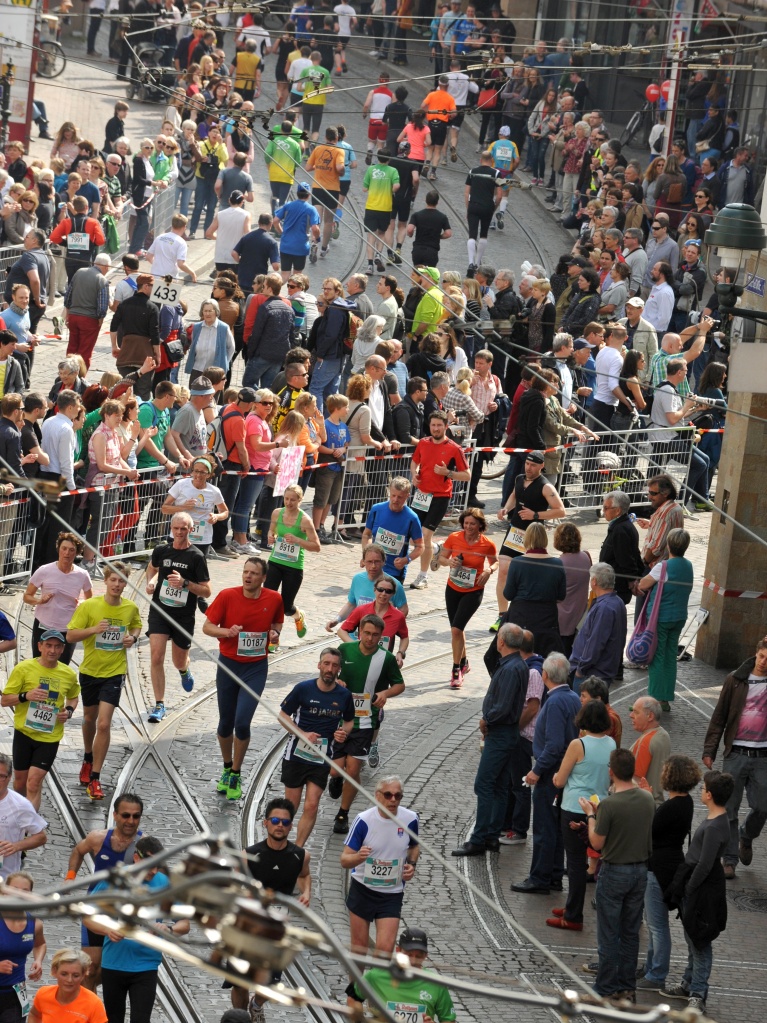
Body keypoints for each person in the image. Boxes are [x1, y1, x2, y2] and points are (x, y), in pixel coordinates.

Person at [202, 558, 284, 800]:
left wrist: (275, 632)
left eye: (254, 573)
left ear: (263, 578)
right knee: (225, 723)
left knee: (242, 722)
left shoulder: (274, 598)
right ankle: (226, 767)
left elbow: (278, 621)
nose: (248, 576)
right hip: (228, 665)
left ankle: (236, 772)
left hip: (256, 668)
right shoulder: (227, 595)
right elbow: (207, 627)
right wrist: (225, 632)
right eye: (245, 572)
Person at [580, 748, 655, 1002]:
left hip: (614, 872)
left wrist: (591, 814)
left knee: (609, 932)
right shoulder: (646, 799)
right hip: (639, 871)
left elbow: (597, 843)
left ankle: (606, 987)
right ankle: (626, 987)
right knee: (630, 932)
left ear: (611, 771)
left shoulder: (609, 805)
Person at [89, 834, 188, 1023]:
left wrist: (169, 929)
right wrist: (108, 930)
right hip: (114, 964)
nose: (154, 871)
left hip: (146, 966)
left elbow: (185, 924)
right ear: (136, 857)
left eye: (158, 865)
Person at [65, 564, 142, 802]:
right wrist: (93, 629)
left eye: (122, 582)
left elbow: (136, 624)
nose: (117, 585)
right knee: (89, 719)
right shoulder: (89, 606)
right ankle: (88, 757)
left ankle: (96, 777)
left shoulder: (130, 608)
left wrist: (134, 637)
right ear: (106, 582)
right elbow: (69, 635)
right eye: (113, 581)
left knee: (104, 724)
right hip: (89, 671)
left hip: (114, 672)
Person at [661, 771, 734, 1014]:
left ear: (710, 795)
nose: (700, 791)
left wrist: (689, 890)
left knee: (700, 942)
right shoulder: (717, 819)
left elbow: (705, 863)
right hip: (697, 882)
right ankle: (689, 983)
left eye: (703, 788)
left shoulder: (715, 826)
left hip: (701, 887)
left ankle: (697, 993)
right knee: (693, 938)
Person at [452, 622, 528, 856]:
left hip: (500, 732)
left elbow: (503, 707)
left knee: (484, 784)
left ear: (501, 641)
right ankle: (492, 836)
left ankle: (479, 838)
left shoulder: (509, 668)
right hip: (509, 732)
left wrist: (487, 720)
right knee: (499, 786)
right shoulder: (518, 665)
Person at [327, 615, 405, 835]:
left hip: (365, 719)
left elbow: (400, 684)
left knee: (353, 768)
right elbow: (328, 674)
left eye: (375, 635)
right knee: (335, 769)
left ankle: (343, 814)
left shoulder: (386, 658)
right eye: (367, 633)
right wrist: (336, 681)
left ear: (381, 637)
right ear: (359, 632)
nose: (370, 638)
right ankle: (335, 778)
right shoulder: (345, 650)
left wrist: (385, 693)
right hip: (340, 717)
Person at [512, 652, 580, 894]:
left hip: (551, 772)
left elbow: (554, 745)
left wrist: (536, 770)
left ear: (546, 675)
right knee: (556, 827)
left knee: (543, 827)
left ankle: (540, 877)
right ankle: (552, 874)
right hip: (565, 772)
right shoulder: (573, 697)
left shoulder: (554, 702)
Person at [239, 798, 311, 1020]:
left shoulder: (300, 855)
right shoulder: (249, 854)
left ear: (291, 826)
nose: (280, 825)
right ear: (265, 823)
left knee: (271, 981)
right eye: (276, 820)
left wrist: (306, 892)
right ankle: (240, 1016)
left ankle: (257, 1004)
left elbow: (304, 875)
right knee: (239, 979)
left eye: (285, 822)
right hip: (249, 924)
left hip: (278, 927)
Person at [702, 637, 767, 880]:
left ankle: (746, 836)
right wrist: (710, 749)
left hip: (763, 755)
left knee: (763, 806)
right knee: (729, 808)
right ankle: (729, 860)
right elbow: (719, 717)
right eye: (762, 656)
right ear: (756, 653)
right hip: (736, 752)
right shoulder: (735, 680)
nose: (763, 662)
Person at [65, 793, 144, 990]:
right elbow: (78, 851)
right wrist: (70, 876)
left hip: (125, 915)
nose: (130, 821)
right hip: (96, 910)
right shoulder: (98, 838)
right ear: (115, 815)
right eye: (126, 815)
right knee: (90, 970)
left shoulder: (144, 846)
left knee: (113, 972)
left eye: (136, 816)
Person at [278, 649, 355, 845]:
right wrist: (302, 734)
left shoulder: (344, 695)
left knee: (312, 805)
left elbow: (349, 722)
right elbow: (283, 716)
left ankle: (297, 848)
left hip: (321, 758)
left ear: (339, 669)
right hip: (296, 755)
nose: (330, 669)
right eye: (326, 664)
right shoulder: (303, 688)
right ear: (319, 665)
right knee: (291, 807)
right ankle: (281, 843)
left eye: (334, 665)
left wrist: (342, 733)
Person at [549, 699, 615, 930]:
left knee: (575, 862)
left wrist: (555, 777)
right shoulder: (611, 744)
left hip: (575, 807)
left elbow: (561, 778)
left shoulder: (579, 744)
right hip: (600, 808)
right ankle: (571, 906)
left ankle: (574, 914)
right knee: (585, 860)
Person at [637, 755, 701, 993]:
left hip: (658, 867)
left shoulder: (671, 806)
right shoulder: (686, 802)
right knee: (656, 924)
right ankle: (651, 968)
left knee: (657, 925)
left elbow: (650, 828)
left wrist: (646, 799)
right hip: (673, 862)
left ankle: (656, 973)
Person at [340, 775, 419, 958]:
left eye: (398, 796)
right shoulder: (364, 820)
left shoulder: (410, 819)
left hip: (392, 894)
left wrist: (411, 865)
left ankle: (375, 986)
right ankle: (355, 987)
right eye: (388, 795)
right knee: (359, 949)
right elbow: (344, 860)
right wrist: (359, 857)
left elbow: (414, 847)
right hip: (363, 890)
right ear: (377, 796)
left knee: (384, 951)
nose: (393, 800)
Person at [0, 631, 79, 811]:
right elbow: (4, 700)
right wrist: (26, 695)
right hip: (24, 733)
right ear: (40, 646)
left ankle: (29, 825)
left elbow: (73, 697)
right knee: (20, 783)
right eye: (49, 645)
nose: (52, 650)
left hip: (49, 737)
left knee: (34, 782)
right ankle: (18, 816)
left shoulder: (68, 674)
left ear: (62, 650)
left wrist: (69, 711)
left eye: (57, 646)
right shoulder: (24, 668)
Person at [145, 512, 211, 722]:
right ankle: (159, 704)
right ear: (171, 529)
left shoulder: (196, 557)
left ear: (191, 530)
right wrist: (151, 582)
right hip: (160, 610)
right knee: (156, 656)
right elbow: (152, 567)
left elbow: (207, 591)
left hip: (183, 615)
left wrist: (185, 583)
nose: (179, 532)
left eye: (184, 529)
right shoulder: (161, 550)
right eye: (176, 528)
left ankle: (184, 670)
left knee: (178, 660)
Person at [494, 452, 565, 631]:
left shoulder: (546, 487)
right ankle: (502, 615)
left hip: (533, 534)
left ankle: (524, 613)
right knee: (503, 570)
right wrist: (505, 508)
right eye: (527, 464)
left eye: (533, 465)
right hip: (514, 531)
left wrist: (535, 515)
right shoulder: (519, 478)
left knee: (529, 577)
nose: (528, 468)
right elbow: (514, 495)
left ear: (541, 466)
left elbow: (560, 511)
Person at [408, 411, 470, 590]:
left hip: (440, 496)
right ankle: (436, 549)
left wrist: (448, 473)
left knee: (425, 535)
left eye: (439, 425)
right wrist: (414, 475)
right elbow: (414, 462)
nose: (436, 428)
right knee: (415, 537)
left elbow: (467, 475)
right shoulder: (423, 443)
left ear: (446, 426)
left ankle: (423, 576)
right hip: (421, 495)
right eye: (433, 425)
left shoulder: (454, 448)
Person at [437, 507, 497, 688]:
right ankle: (464, 662)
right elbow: (441, 558)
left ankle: (456, 670)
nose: (469, 527)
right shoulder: (454, 538)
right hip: (453, 588)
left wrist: (488, 570)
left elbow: (495, 562)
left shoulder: (487, 544)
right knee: (457, 628)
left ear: (480, 525)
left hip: (473, 590)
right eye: (466, 523)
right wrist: (449, 562)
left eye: (473, 524)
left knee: (456, 629)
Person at [637, 527, 693, 711]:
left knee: (657, 656)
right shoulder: (689, 566)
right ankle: (666, 698)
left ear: (669, 545)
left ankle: (654, 700)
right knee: (670, 656)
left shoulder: (664, 566)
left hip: (661, 618)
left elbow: (644, 584)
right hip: (679, 617)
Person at [348, 926, 456, 1020]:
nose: (413, 961)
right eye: (408, 955)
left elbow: (449, 1019)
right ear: (398, 951)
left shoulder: (436, 984)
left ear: (425, 956)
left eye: (419, 956)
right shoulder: (376, 975)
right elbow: (351, 996)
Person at [24, 532, 92, 665]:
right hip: (44, 625)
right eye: (64, 549)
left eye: (71, 550)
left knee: (61, 667)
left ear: (77, 553)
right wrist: (39, 600)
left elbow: (90, 600)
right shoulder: (44, 570)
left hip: (68, 628)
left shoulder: (82, 575)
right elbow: (27, 596)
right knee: (38, 665)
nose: (67, 553)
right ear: (58, 549)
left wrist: (82, 604)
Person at [265, 483, 320, 641]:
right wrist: (271, 536)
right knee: (269, 601)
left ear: (300, 500)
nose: (288, 503)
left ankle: (298, 616)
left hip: (293, 567)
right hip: (275, 561)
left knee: (286, 607)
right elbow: (272, 530)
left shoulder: (305, 521)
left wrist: (297, 540)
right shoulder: (277, 513)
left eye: (293, 500)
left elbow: (316, 546)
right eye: (286, 499)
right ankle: (273, 638)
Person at [503, 523, 566, 658]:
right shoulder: (557, 563)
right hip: (547, 618)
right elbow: (561, 595)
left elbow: (508, 594)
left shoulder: (517, 562)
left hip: (521, 616)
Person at [570, 563, 628, 692]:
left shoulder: (604, 608)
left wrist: (581, 669)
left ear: (594, 581)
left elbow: (595, 643)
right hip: (601, 670)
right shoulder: (617, 602)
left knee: (584, 710)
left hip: (592, 674)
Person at [634, 473, 685, 614]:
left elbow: (656, 547)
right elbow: (666, 532)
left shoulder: (665, 514)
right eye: (649, 492)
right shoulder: (675, 509)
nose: (649, 496)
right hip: (664, 568)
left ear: (666, 493)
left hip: (653, 568)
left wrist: (643, 563)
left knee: (642, 615)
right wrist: (651, 524)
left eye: (653, 493)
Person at [0, 869, 46, 1020]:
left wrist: (38, 960)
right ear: (4, 892)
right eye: (14, 889)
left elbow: (40, 944)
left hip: (16, 992)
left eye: (25, 891)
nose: (19, 894)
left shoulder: (34, 923)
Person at [361, 478, 424, 585]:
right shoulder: (376, 510)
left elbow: (420, 546)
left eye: (400, 497)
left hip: (395, 573)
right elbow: (367, 535)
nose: (395, 500)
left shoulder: (412, 518)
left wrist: (406, 560)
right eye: (393, 495)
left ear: (407, 496)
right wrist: (366, 555)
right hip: (374, 568)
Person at [0, 753, 47, 882]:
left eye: (1, 776)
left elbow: (41, 837)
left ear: (9, 777)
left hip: (5, 878)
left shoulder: (20, 805)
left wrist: (16, 846)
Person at [28, 948, 106, 1023]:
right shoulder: (43, 994)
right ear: (54, 971)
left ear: (83, 975)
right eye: (64, 974)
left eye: (75, 975)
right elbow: (34, 1015)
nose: (69, 980)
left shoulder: (94, 1004)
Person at [62, 254, 112, 370]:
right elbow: (102, 305)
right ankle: (80, 376)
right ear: (105, 266)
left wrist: (68, 314)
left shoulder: (79, 272)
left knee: (72, 347)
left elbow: (68, 295)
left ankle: (66, 370)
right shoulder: (102, 280)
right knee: (85, 351)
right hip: (90, 319)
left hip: (74, 316)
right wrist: (100, 319)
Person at [553, 522, 591, 657]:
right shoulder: (586, 556)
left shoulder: (559, 563)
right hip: (580, 614)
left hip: (562, 617)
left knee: (562, 654)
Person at [599, 490, 643, 605]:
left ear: (618, 510)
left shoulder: (621, 530)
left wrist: (632, 580)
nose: (603, 511)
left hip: (616, 587)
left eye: (606, 508)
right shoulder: (620, 526)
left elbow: (626, 558)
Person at [464, 151, 501, 275]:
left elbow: (466, 192)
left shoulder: (472, 171)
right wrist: (493, 208)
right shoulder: (496, 173)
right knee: (483, 234)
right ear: (491, 160)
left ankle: (470, 263)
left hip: (473, 205)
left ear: (481, 159)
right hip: (487, 206)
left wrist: (468, 208)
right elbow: (500, 195)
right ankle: (477, 263)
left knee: (472, 235)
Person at [629, 696, 671, 804]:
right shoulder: (664, 735)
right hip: (656, 801)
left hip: (643, 804)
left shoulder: (645, 741)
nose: (631, 716)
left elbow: (635, 780)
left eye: (636, 712)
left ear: (650, 716)